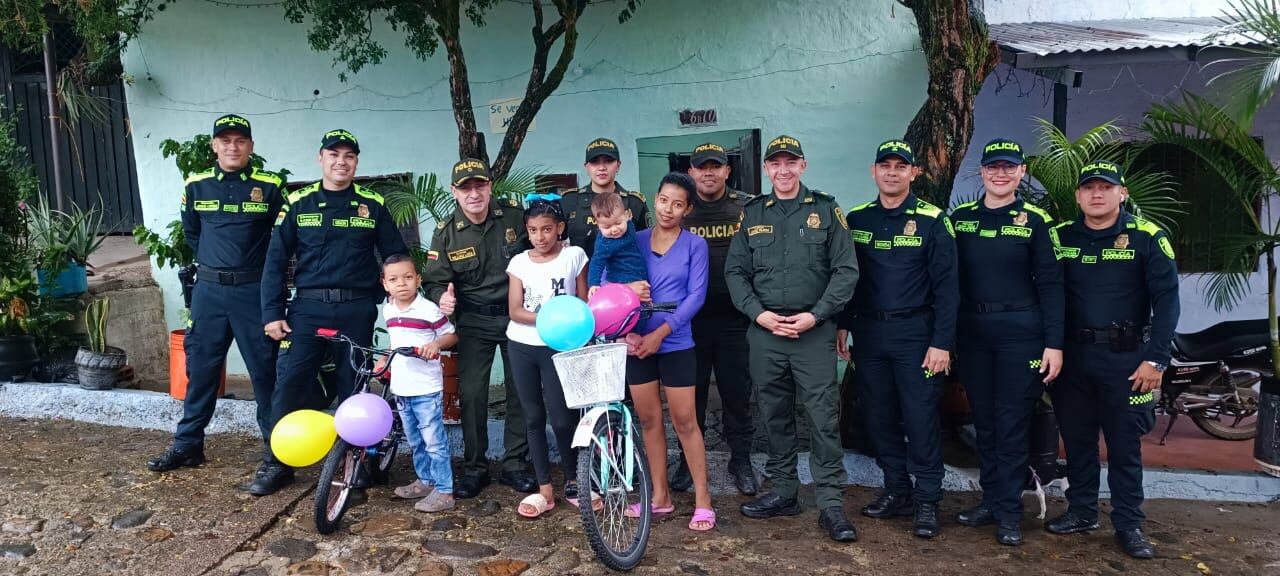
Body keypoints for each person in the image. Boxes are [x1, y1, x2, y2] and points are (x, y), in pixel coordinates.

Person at [259, 129, 408, 495]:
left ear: (356, 162)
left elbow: (395, 256)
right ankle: (276, 463)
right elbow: (275, 260)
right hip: (308, 308)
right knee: (290, 385)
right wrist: (272, 312)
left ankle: (354, 463)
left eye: (349, 156)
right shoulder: (300, 202)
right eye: (334, 154)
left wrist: (400, 305)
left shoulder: (372, 204)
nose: (341, 162)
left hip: (356, 308)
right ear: (321, 158)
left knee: (353, 387)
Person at [726, 135, 859, 542]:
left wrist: (816, 315)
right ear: (767, 169)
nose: (783, 170)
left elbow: (846, 271)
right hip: (766, 333)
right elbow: (735, 272)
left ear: (803, 166)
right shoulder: (753, 213)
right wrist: (759, 314)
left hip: (812, 333)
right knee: (774, 414)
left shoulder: (826, 210)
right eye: (775, 163)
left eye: (791, 162)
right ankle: (784, 492)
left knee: (822, 417)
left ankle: (831, 503)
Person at [1046, 160, 1178, 559]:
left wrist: (1157, 360)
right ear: (1078, 196)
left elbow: (1167, 302)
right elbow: (1047, 293)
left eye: (1106, 187)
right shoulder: (1059, 236)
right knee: (1077, 441)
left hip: (1126, 359)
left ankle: (1129, 523)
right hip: (1073, 357)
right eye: (1089, 188)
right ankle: (1082, 511)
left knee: (1124, 445)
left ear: (1122, 193)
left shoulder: (1147, 236)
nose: (1097, 194)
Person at [147, 114, 285, 487]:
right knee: (202, 371)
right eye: (225, 141)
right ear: (214, 146)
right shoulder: (196, 185)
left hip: (253, 292)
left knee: (265, 374)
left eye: (240, 141)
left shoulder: (270, 186)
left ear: (250, 146)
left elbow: (281, 241)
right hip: (208, 291)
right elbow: (193, 233)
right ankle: (187, 445)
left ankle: (277, 455)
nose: (233, 147)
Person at [837, 139, 957, 539]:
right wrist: (844, 324)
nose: (892, 172)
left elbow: (948, 289)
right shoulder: (857, 218)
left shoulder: (933, 220)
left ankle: (928, 500)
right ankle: (897, 490)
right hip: (870, 334)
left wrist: (942, 343)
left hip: (916, 335)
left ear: (913, 173)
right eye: (885, 166)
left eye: (900, 166)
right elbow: (850, 279)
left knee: (920, 418)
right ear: (874, 172)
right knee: (878, 416)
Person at [949, 139, 1064, 546]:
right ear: (982, 172)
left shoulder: (1036, 221)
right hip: (974, 333)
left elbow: (1051, 285)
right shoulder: (961, 219)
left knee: (1012, 422)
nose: (1000, 174)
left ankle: (1010, 511)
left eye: (1009, 167)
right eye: (993, 167)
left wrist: (1054, 344)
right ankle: (991, 501)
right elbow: (947, 280)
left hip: (1021, 333)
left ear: (1021, 172)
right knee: (984, 423)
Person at [424, 158, 538, 498]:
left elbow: (540, 255)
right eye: (466, 188)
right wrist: (442, 298)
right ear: (454, 192)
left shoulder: (515, 218)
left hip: (518, 317)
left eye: (479, 185)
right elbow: (433, 281)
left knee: (521, 390)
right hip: (474, 321)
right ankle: (475, 467)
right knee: (473, 394)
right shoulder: (446, 232)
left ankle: (515, 464)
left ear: (490, 186)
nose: (474, 194)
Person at [621, 173, 713, 531]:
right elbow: (614, 281)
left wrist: (661, 333)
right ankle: (660, 496)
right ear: (654, 199)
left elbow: (696, 297)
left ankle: (703, 500)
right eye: (663, 200)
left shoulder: (695, 245)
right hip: (637, 342)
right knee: (648, 420)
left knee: (685, 421)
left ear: (687, 210)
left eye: (677, 204)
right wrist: (628, 331)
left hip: (675, 342)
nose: (668, 209)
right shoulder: (634, 240)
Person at [675, 142, 757, 495]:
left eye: (715, 166)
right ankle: (686, 460)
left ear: (727, 171)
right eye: (701, 166)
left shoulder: (747, 208)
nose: (708, 172)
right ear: (691, 172)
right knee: (688, 395)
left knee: (737, 395)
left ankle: (741, 459)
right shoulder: (680, 208)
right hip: (689, 322)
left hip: (734, 319)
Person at [504, 193, 589, 518]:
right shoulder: (519, 263)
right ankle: (544, 489)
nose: (540, 237)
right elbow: (515, 310)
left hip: (560, 347)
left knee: (563, 417)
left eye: (547, 229)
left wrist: (567, 326)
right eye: (533, 230)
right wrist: (551, 318)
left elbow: (583, 302)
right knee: (533, 417)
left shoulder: (574, 256)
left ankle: (573, 480)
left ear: (560, 228)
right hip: (523, 345)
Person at [381, 254, 458, 513]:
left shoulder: (428, 310)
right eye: (394, 279)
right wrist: (385, 358)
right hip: (401, 387)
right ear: (385, 284)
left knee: (434, 442)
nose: (401, 283)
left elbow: (451, 336)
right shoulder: (388, 309)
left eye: (407, 277)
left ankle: (445, 491)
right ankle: (425, 481)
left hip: (426, 387)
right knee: (415, 440)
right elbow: (396, 341)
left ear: (418, 279)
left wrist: (435, 344)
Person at [562, 138, 651, 257]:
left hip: (624, 268)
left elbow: (647, 245)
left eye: (608, 161)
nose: (602, 167)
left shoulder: (635, 203)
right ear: (586, 166)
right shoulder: (570, 201)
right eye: (595, 162)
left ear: (618, 165)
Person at [586, 191, 648, 297]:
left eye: (618, 223)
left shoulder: (629, 225)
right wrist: (594, 283)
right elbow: (596, 263)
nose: (614, 229)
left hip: (639, 275)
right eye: (607, 227)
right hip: (620, 281)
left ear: (627, 216)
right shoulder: (604, 243)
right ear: (598, 224)